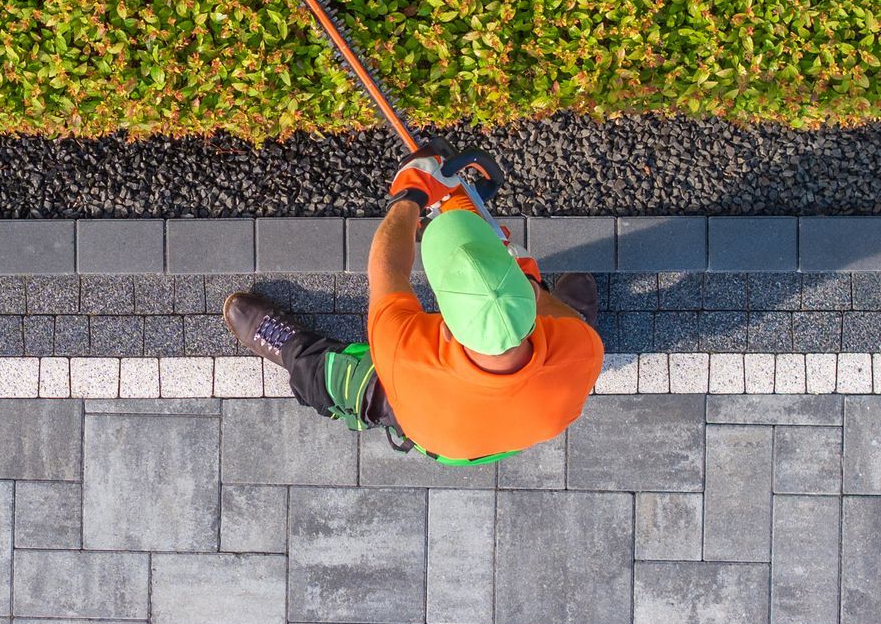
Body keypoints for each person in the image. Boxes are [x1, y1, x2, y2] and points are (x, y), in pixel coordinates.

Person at [225, 147, 604, 464]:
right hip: (503, 436)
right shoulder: (582, 351)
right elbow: (565, 321)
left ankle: (294, 351)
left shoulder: (405, 353)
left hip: (431, 430)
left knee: (334, 379)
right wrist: (528, 283)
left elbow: (387, 269)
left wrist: (410, 197)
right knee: (573, 323)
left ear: (444, 321)